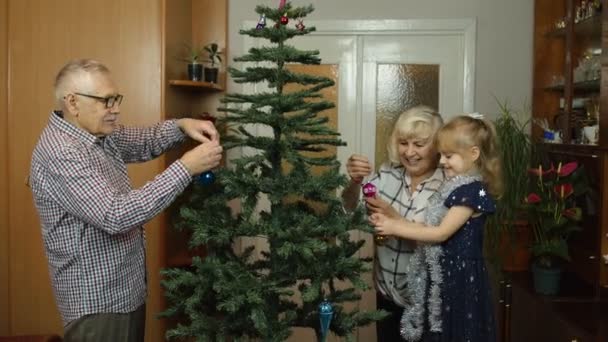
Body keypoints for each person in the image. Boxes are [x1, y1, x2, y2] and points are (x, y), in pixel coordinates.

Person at [29, 59, 223, 342]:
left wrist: (182, 126)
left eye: (116, 98)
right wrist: (186, 168)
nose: (116, 108)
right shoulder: (62, 153)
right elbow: (115, 215)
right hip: (97, 302)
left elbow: (142, 140)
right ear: (72, 103)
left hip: (123, 292)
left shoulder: (95, 134)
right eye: (107, 101)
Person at [370, 114, 502, 342]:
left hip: (459, 277)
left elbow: (440, 233)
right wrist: (399, 222)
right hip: (446, 275)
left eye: (449, 156)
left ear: (473, 154)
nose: (441, 161)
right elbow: (430, 225)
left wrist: (393, 225)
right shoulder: (454, 187)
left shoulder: (471, 192)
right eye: (441, 154)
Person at [342, 105, 445, 341]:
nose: (409, 152)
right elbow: (349, 213)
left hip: (429, 305)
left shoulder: (446, 185)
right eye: (403, 143)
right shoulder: (387, 175)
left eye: (419, 144)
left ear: (438, 147)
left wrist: (393, 217)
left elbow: (438, 239)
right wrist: (355, 182)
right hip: (387, 298)